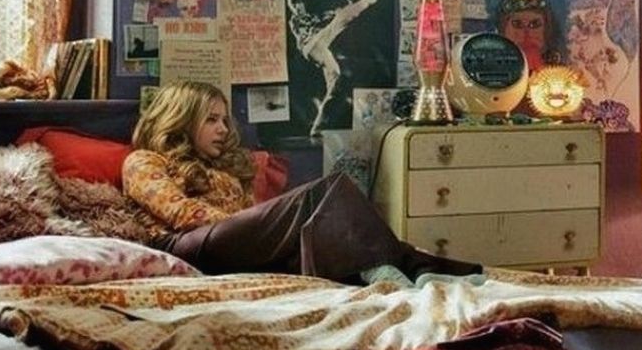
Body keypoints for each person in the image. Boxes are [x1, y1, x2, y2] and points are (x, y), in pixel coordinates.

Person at [122, 80, 481, 282]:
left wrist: (267, 226)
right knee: (321, 193)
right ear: (181, 120)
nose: (223, 129)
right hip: (183, 245)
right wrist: (268, 221)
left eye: (224, 120)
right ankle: (408, 269)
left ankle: (424, 269)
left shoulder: (220, 166)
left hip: (226, 245)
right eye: (210, 120)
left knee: (321, 220)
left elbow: (247, 227)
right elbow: (181, 213)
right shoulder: (143, 160)